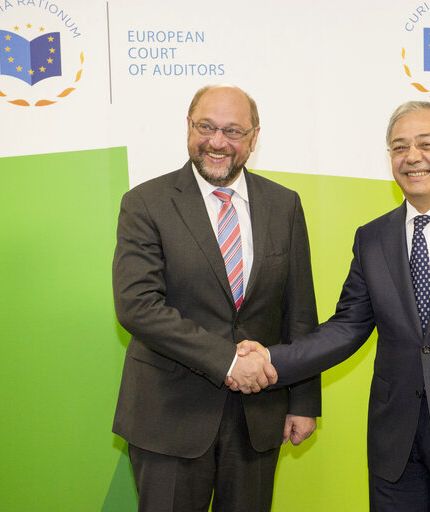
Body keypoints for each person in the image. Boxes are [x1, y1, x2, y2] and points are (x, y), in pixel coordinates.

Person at [235, 101, 430, 511]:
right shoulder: (373, 238)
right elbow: (347, 327)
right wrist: (273, 359)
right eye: (399, 147)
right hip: (394, 443)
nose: (412, 157)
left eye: (426, 144)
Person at [112, 84, 321, 512]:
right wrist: (228, 361)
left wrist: (303, 401)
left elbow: (299, 311)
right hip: (169, 418)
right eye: (205, 127)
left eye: (232, 131)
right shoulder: (146, 204)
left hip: (257, 418)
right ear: (189, 127)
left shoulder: (284, 205)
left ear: (254, 137)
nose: (217, 142)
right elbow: (138, 305)